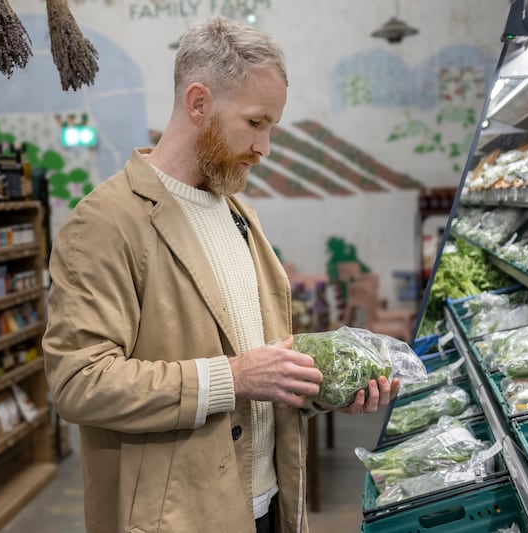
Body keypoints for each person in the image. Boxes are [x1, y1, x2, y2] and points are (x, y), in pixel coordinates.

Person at [43, 15, 400, 533]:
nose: (265, 148)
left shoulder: (238, 213)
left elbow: (258, 355)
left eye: (271, 127)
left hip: (268, 502)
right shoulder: (105, 221)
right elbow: (80, 382)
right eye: (256, 123)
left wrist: (325, 385)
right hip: (180, 515)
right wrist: (232, 377)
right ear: (198, 103)